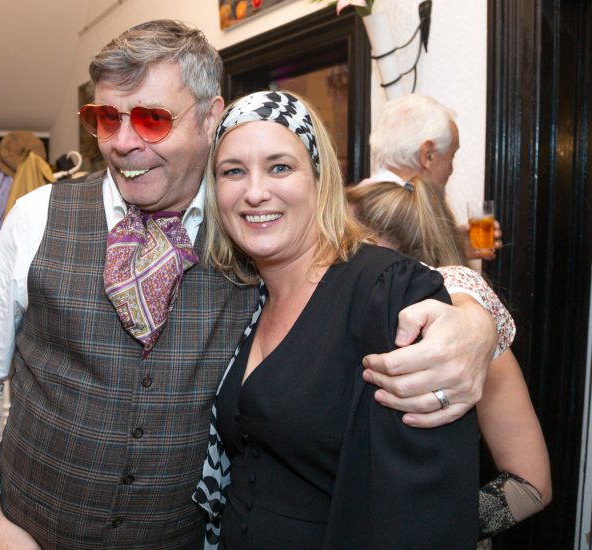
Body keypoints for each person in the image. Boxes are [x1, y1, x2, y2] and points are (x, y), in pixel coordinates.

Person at [0, 20, 502, 549]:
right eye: (106, 118)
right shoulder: (37, 217)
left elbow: (362, 263)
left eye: (151, 119)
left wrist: (473, 314)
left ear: (210, 118)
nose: (123, 143)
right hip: (25, 533)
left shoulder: (251, 225)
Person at [194, 90, 479, 549]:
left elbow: (425, 512)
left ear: (319, 178)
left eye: (279, 167)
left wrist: (478, 320)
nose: (255, 192)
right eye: (233, 171)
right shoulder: (243, 290)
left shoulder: (386, 293)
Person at [347, 178, 551, 539]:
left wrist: (434, 529)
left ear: (385, 249)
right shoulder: (348, 316)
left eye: (348, 244)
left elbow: (530, 486)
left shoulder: (466, 335)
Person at [362, 93, 502, 260]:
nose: (451, 169)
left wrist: (453, 246)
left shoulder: (356, 202)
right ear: (428, 156)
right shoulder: (403, 214)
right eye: (452, 155)